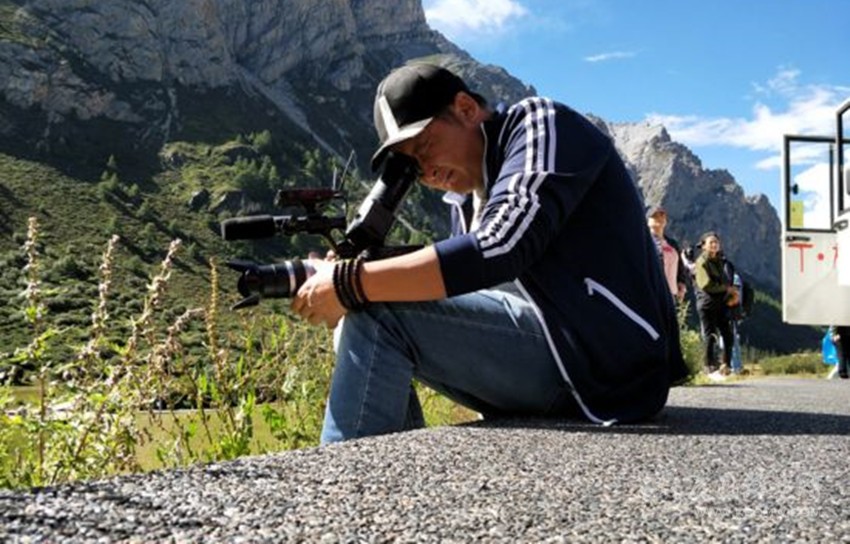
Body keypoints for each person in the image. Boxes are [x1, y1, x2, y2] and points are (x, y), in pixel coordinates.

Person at [291, 63, 688, 444]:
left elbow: (501, 247)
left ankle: (345, 485)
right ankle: (393, 478)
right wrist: (353, 275)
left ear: (465, 109)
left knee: (375, 310)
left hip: (609, 360)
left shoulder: (540, 124)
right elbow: (464, 286)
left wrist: (350, 282)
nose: (427, 172)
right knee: (366, 301)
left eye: (425, 146)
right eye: (413, 166)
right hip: (566, 363)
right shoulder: (466, 199)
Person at [693, 231, 736, 375]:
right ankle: (708, 365)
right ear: (703, 246)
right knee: (710, 334)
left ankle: (726, 365)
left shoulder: (719, 260)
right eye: (711, 242)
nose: (714, 244)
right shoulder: (702, 262)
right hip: (707, 303)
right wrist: (726, 288)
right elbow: (705, 285)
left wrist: (729, 292)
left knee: (727, 334)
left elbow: (724, 281)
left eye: (716, 242)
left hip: (720, 303)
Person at [646, 206, 689, 303]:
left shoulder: (672, 243)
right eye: (655, 216)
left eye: (662, 215)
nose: (659, 218)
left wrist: (681, 283)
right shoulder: (645, 242)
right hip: (653, 293)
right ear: (647, 222)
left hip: (671, 294)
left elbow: (680, 266)